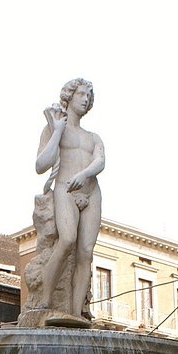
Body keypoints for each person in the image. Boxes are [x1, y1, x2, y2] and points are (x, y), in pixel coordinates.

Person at [31, 78, 105, 321]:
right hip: (64, 189)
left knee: (86, 252)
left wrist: (84, 175)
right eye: (81, 94)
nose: (85, 99)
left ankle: (76, 314)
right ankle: (45, 300)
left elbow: (100, 162)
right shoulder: (53, 129)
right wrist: (58, 131)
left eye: (88, 96)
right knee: (67, 240)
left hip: (90, 191)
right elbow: (41, 165)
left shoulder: (94, 137)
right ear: (70, 97)